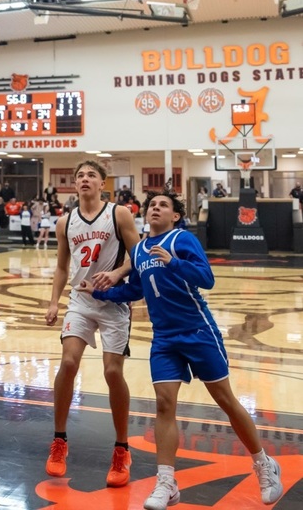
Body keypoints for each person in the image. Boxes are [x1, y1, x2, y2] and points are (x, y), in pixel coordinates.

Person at [80, 190, 283, 510]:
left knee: (226, 400)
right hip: (164, 339)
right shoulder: (141, 250)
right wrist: (101, 292)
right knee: (163, 404)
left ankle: (264, 465)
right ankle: (167, 482)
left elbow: (207, 278)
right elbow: (135, 289)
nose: (156, 208)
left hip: (198, 332)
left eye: (163, 205)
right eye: (151, 206)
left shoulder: (182, 239)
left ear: (175, 216)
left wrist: (174, 263)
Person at [44, 160, 140, 487]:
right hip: (80, 302)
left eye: (91, 175)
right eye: (80, 175)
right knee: (68, 363)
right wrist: (54, 301)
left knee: (113, 372)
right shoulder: (65, 221)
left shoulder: (119, 214)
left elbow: (136, 256)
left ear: (102, 183)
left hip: (114, 304)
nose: (85, 179)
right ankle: (58, 441)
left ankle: (122, 448)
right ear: (75, 184)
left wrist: (116, 274)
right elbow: (61, 267)